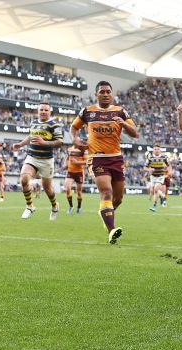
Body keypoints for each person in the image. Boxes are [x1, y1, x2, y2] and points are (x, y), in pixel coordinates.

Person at [70, 81, 139, 244]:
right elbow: (73, 128)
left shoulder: (120, 111)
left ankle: (105, 212)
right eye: (102, 92)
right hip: (96, 158)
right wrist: (75, 140)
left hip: (116, 158)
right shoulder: (87, 112)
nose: (106, 94)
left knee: (119, 198)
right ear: (96, 94)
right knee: (106, 191)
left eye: (108, 91)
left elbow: (135, 133)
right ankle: (111, 230)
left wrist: (123, 124)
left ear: (112, 94)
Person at [11, 102, 62, 220]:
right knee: (24, 179)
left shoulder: (54, 125)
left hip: (46, 160)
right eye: (41, 110)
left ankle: (54, 206)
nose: (43, 112)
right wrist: (21, 144)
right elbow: (30, 137)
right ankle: (30, 206)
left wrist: (44, 142)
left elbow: (60, 143)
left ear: (50, 112)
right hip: (32, 157)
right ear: (38, 111)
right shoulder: (34, 123)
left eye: (46, 110)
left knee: (48, 188)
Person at [145, 144, 169, 212]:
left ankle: (155, 205)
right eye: (155, 149)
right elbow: (145, 167)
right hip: (153, 176)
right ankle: (161, 199)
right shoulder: (150, 158)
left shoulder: (164, 157)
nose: (156, 150)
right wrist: (149, 169)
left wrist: (169, 172)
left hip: (160, 176)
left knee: (156, 188)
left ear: (160, 150)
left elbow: (168, 165)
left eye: (158, 149)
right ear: (153, 150)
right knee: (155, 191)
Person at [64, 145, 87, 214]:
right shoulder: (69, 149)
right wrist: (65, 164)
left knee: (79, 191)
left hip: (79, 173)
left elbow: (87, 161)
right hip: (70, 172)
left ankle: (79, 207)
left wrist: (77, 162)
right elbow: (67, 158)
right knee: (67, 188)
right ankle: (71, 206)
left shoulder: (83, 150)